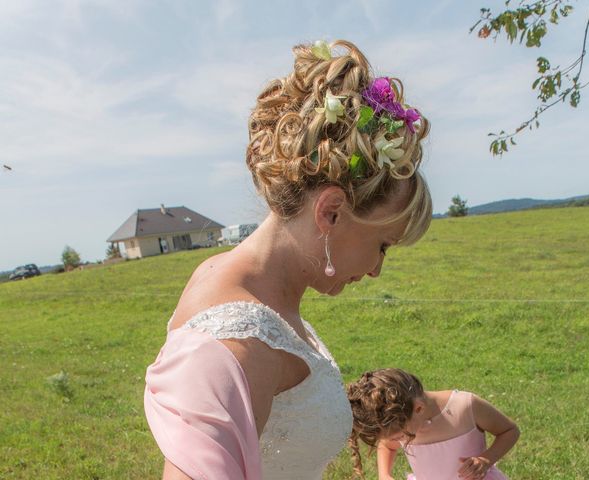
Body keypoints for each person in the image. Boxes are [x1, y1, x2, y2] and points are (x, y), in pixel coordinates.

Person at [144, 39, 432, 480]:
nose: (377, 269)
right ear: (330, 211)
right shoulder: (238, 345)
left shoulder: (232, 278)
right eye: (383, 245)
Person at [348, 369, 520, 480]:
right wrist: (384, 474)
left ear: (419, 408)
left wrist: (485, 460)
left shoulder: (466, 407)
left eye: (400, 437)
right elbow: (387, 445)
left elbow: (509, 430)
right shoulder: (400, 421)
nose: (399, 440)